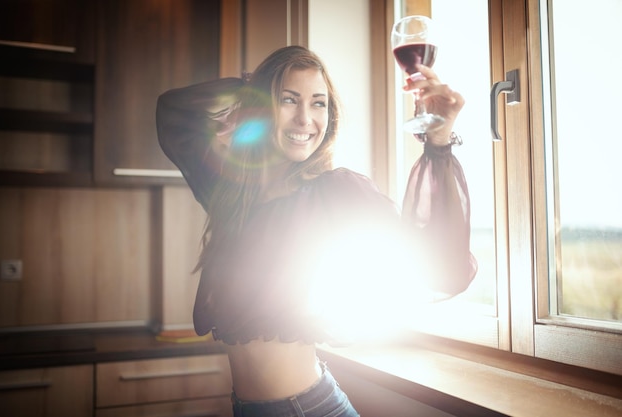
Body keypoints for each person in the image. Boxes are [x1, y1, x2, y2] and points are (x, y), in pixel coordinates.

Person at [156, 45, 477, 417]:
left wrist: (438, 143)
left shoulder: (334, 191)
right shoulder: (230, 193)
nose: (305, 119)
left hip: (307, 409)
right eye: (288, 100)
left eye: (319, 103)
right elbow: (175, 111)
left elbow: (441, 266)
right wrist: (254, 88)